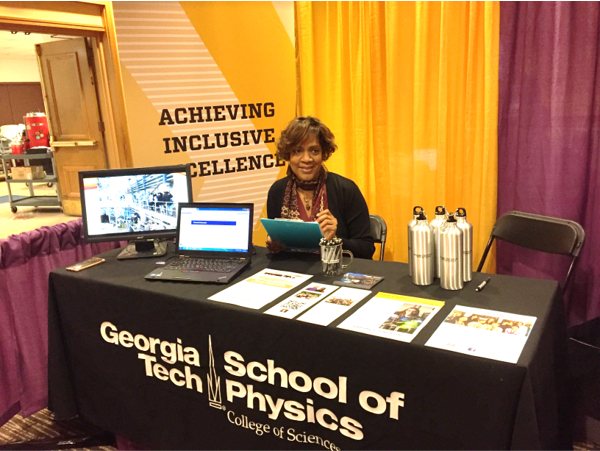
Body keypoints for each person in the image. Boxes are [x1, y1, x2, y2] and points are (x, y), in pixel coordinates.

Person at [266, 116, 375, 259]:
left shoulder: (346, 190)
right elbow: (279, 251)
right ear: (288, 155)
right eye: (298, 151)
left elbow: (367, 249)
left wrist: (335, 240)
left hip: (335, 273)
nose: (306, 159)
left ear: (324, 153)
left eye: (314, 151)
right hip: (292, 275)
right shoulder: (277, 191)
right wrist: (275, 245)